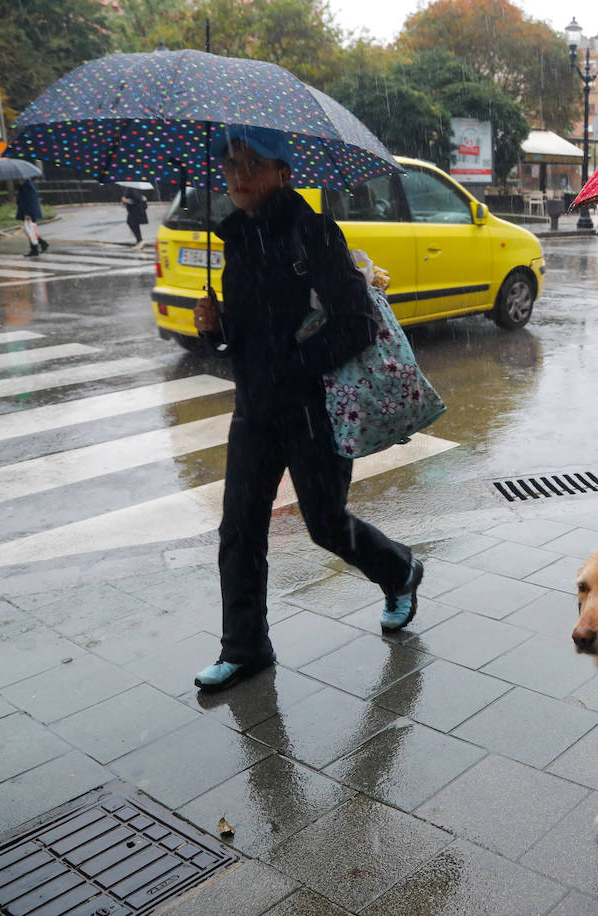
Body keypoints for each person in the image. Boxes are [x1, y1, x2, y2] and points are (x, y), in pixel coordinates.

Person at [191, 126, 423, 693]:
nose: (238, 177)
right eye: (230, 166)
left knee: (324, 524)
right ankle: (245, 648)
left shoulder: (313, 233)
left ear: (282, 171)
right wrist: (215, 332)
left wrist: (291, 364)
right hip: (254, 410)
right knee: (239, 530)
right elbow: (242, 338)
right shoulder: (236, 238)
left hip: (314, 410)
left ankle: (399, 570)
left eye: (251, 164)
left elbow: (358, 324)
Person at [15, 179, 48, 258]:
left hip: (29, 212)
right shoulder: (24, 186)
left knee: (30, 231)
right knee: (30, 231)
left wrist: (27, 213)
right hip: (27, 211)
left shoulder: (27, 186)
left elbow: (29, 200)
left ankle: (35, 250)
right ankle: (41, 244)